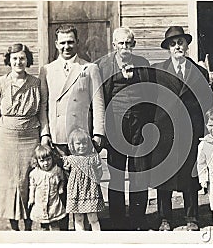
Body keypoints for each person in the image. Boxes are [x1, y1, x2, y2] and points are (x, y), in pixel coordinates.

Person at [39, 24, 105, 230]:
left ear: (77, 42)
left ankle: (85, 227)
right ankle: (63, 229)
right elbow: (44, 105)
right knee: (61, 184)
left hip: (81, 139)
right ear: (56, 44)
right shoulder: (47, 70)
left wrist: (98, 133)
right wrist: (45, 133)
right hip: (57, 136)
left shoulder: (89, 68)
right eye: (62, 43)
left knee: (83, 184)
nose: (66, 46)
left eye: (70, 42)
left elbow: (98, 102)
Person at [150, 26, 213, 231]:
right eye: (173, 43)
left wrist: (204, 134)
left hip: (191, 131)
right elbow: (150, 101)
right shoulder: (158, 70)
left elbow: (206, 104)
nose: (177, 46)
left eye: (181, 42)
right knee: (164, 176)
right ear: (168, 47)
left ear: (187, 45)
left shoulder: (200, 72)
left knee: (190, 176)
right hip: (165, 132)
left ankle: (191, 218)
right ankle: (164, 218)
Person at [96, 27, 153, 230]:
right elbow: (98, 100)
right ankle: (118, 220)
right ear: (114, 45)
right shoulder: (102, 66)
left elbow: (152, 96)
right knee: (117, 175)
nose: (125, 47)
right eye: (121, 43)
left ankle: (138, 219)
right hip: (115, 127)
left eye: (128, 43)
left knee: (139, 174)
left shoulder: (143, 64)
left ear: (134, 44)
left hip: (139, 128)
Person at [0, 43, 39, 231]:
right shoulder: (0, 83)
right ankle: (14, 229)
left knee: (29, 179)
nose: (19, 62)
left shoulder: (35, 82)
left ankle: (28, 226)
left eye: (22, 58)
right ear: (9, 61)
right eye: (15, 58)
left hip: (31, 135)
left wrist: (44, 135)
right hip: (7, 137)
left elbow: (41, 109)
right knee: (9, 181)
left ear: (27, 60)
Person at [62, 128, 105, 231]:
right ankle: (81, 239)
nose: (82, 146)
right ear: (72, 145)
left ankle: (97, 238)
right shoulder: (70, 159)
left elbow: (99, 172)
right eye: (78, 144)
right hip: (76, 192)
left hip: (91, 192)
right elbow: (66, 172)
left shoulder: (93, 157)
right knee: (78, 218)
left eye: (84, 143)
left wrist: (94, 181)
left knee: (93, 218)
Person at [28, 145, 66, 231]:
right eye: (42, 161)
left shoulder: (57, 171)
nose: (46, 163)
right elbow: (32, 186)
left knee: (55, 224)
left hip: (53, 202)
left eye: (48, 159)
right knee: (43, 226)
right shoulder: (35, 173)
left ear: (52, 158)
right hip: (40, 203)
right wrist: (31, 198)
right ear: (37, 161)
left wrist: (61, 187)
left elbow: (62, 179)